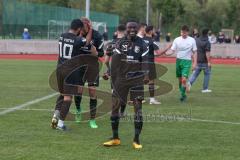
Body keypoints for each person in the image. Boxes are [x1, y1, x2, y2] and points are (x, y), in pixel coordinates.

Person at [103, 21, 149, 149]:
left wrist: (146, 74)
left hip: (136, 79)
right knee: (114, 108)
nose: (132, 29)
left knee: (138, 109)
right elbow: (115, 61)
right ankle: (115, 138)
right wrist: (109, 72)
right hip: (121, 80)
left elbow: (145, 62)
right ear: (126, 29)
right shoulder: (119, 43)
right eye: (130, 28)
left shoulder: (143, 44)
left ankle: (136, 139)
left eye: (134, 27)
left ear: (138, 29)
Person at [51, 19, 97, 130]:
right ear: (79, 29)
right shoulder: (78, 39)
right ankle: (61, 124)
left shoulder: (62, 36)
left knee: (62, 94)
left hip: (59, 69)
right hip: (70, 72)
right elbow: (90, 47)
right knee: (68, 98)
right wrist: (90, 30)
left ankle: (55, 117)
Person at [73, 17, 104, 128]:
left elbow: (101, 54)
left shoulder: (97, 36)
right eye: (80, 27)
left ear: (89, 26)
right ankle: (78, 110)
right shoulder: (77, 35)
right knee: (79, 91)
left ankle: (92, 120)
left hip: (92, 66)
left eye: (84, 26)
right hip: (80, 66)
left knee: (92, 92)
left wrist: (94, 52)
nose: (81, 29)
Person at [167, 25, 197, 102]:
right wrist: (166, 53)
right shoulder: (177, 40)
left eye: (184, 32)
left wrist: (194, 63)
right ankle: (183, 93)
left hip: (187, 61)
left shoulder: (192, 40)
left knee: (184, 80)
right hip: (178, 61)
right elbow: (172, 50)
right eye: (182, 32)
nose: (183, 34)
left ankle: (182, 96)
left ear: (187, 32)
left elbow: (194, 52)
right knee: (180, 80)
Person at [103, 24, 126, 117]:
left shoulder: (111, 44)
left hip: (114, 71)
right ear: (125, 31)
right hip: (125, 70)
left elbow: (106, 60)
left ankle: (115, 111)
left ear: (117, 31)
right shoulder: (128, 43)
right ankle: (122, 112)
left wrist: (109, 69)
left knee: (114, 91)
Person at [143, 25, 167, 105]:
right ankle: (152, 100)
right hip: (149, 63)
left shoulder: (141, 40)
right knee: (151, 81)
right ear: (150, 31)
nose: (154, 31)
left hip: (141, 63)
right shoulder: (152, 41)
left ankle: (140, 98)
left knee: (140, 80)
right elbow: (159, 53)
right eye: (153, 30)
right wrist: (168, 47)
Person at [187, 28, 212, 93]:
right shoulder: (207, 42)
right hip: (204, 61)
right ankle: (205, 88)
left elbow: (193, 50)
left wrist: (193, 60)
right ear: (207, 34)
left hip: (197, 60)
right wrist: (209, 62)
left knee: (195, 74)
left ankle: (189, 83)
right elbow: (207, 53)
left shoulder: (196, 40)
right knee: (207, 74)